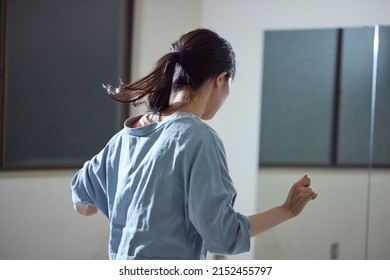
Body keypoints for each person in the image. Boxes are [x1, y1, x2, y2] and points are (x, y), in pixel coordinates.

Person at [70, 28, 317, 260]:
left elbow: (82, 205)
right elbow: (223, 236)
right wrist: (288, 210)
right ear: (220, 80)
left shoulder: (126, 136)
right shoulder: (198, 138)